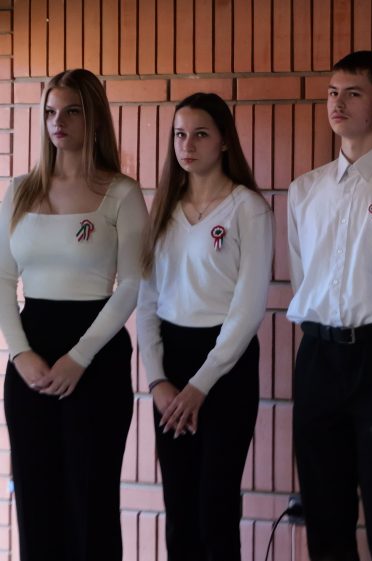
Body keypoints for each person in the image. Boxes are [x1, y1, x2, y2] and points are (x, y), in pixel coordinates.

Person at [0, 68, 147, 560]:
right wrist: (20, 354)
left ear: (94, 118)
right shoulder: (21, 190)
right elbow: (1, 279)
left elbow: (131, 285)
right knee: (37, 501)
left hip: (96, 358)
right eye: (49, 112)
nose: (57, 122)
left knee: (90, 501)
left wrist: (80, 357)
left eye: (71, 111)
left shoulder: (122, 192)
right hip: (32, 354)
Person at [287, 51, 372, 561]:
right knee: (324, 508)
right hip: (318, 356)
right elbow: (302, 279)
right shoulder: (305, 190)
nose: (337, 103)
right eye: (332, 92)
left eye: (353, 93)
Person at [137, 92, 272, 561]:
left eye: (200, 134)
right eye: (179, 135)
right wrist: (157, 381)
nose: (187, 145)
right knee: (180, 506)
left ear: (224, 142)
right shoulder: (163, 209)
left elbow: (248, 308)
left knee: (215, 506)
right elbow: (147, 303)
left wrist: (201, 385)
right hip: (171, 365)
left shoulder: (247, 208)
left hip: (225, 366)